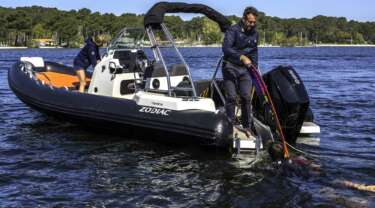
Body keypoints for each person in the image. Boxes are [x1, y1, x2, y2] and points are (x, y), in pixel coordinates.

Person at [222, 6, 259, 135]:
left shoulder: (255, 33)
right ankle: (230, 124)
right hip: (230, 66)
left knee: (246, 97)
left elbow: (254, 53)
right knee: (231, 97)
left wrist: (256, 70)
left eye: (254, 22)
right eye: (250, 21)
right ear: (244, 19)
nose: (252, 24)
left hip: (246, 70)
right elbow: (226, 48)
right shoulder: (233, 30)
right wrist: (241, 56)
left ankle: (247, 126)